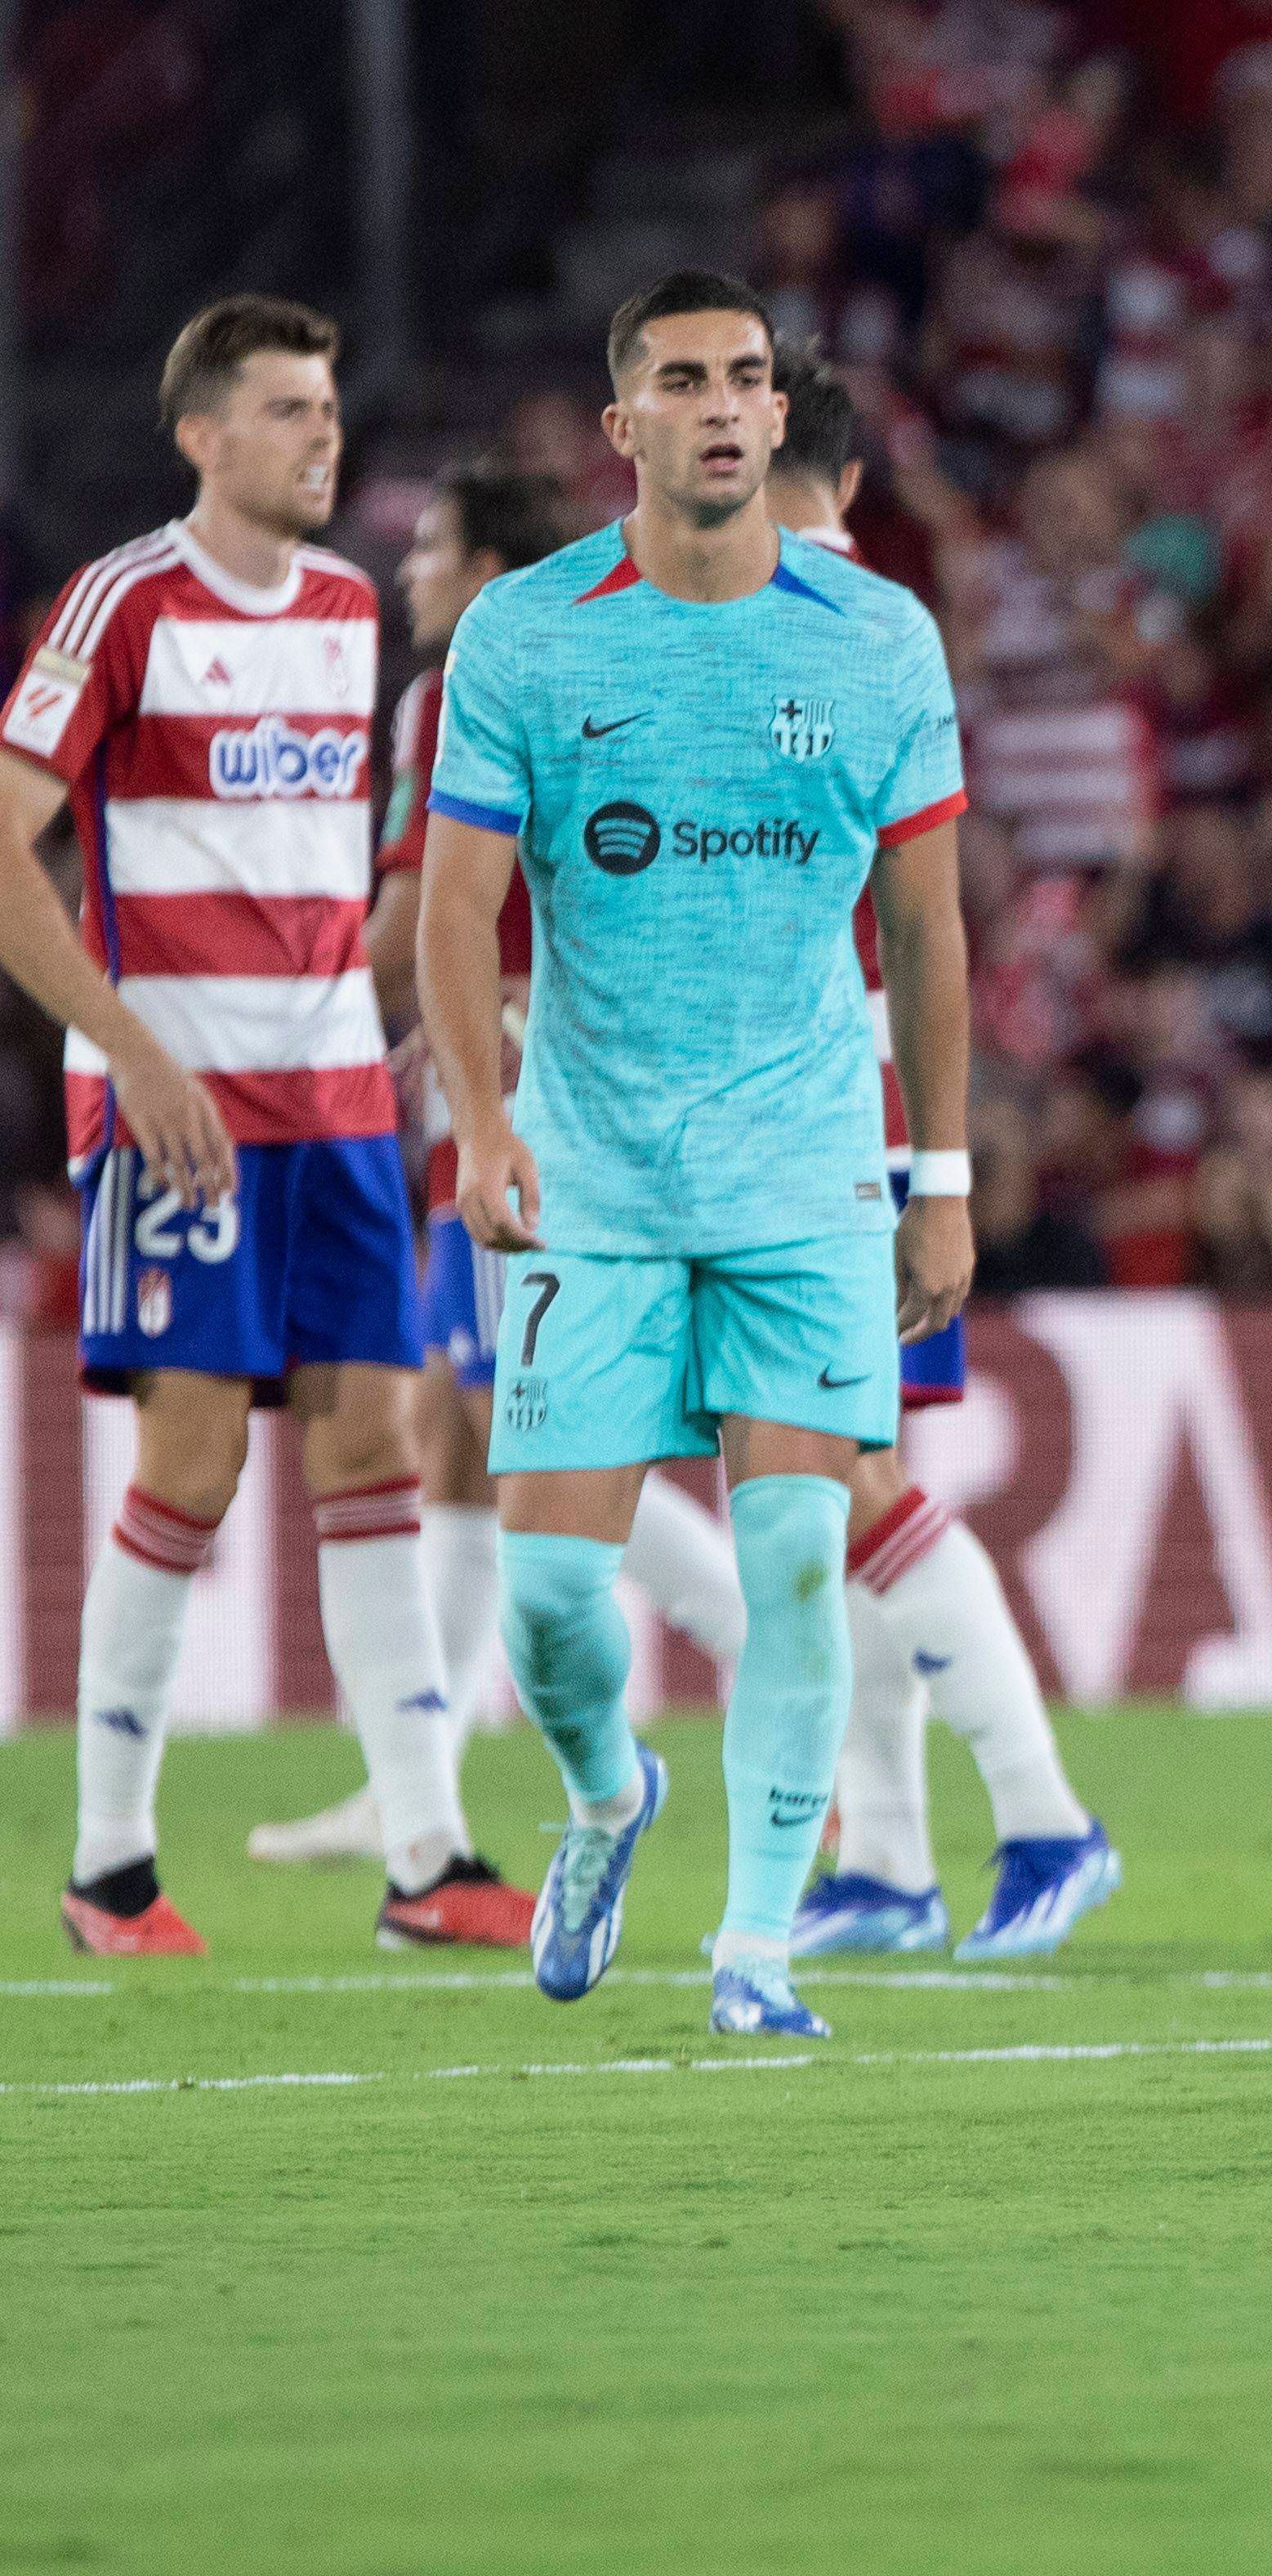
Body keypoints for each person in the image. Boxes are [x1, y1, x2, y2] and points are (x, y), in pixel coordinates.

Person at [417, 271, 975, 2038]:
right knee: (553, 1596)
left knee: (796, 1557)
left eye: (747, 378)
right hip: (591, 1167)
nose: (727, 405)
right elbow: (454, 907)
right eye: (684, 380)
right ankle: (604, 1801)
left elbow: (929, 926)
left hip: (809, 1168)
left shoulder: (878, 637)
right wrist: (482, 1121)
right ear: (624, 428)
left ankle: (757, 1948)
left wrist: (938, 1173)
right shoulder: (526, 634)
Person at [0, 296, 515, 1954]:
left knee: (369, 1439)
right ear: (202, 436)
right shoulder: (120, 604)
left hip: (339, 1108)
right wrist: (127, 1052)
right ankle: (109, 1867)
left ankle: (429, 1857)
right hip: (181, 1111)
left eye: (330, 407)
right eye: (289, 410)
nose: (324, 436)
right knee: (199, 1461)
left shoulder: (354, 608)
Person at [246, 458, 754, 1874]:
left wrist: (266, 1024)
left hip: (510, 1102)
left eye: (430, 551)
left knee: (515, 1420)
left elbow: (417, 919)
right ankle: (421, 1781)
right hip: (539, 1083)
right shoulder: (609, 660)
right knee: (460, 1449)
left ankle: (756, 1649)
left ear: (483, 573)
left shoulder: (458, 685)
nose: (407, 573)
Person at [765, 344, 1118, 1960]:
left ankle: (1045, 1817)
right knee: (822, 1487)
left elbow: (919, 922)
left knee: (844, 1474)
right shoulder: (854, 625)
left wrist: (939, 1172)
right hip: (824, 1111)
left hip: (826, 1111)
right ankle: (888, 1861)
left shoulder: (815, 626)